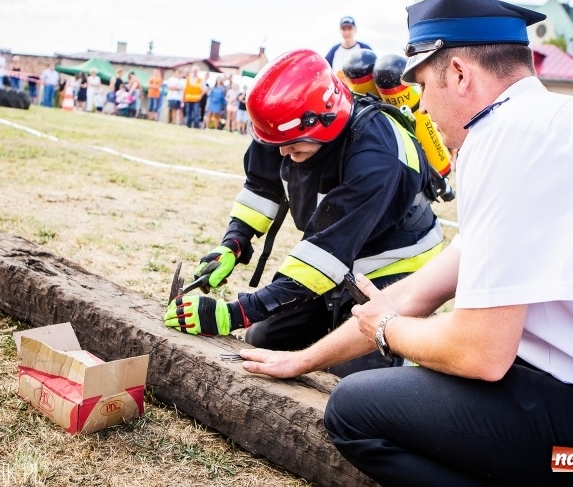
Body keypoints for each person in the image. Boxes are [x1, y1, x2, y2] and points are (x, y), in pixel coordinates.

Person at [231, 0, 573, 486]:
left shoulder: (505, 134)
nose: (420, 106)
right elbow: (418, 290)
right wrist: (304, 359)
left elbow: (479, 354)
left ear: (459, 74)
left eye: (421, 86)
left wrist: (387, 330)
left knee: (356, 412)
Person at [163, 49, 443, 377]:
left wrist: (235, 312)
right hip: (336, 255)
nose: (281, 152)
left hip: (392, 264)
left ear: (322, 121)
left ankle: (403, 343)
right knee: (262, 338)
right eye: (275, 143)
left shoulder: (377, 155)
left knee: (353, 377)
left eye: (291, 144)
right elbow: (261, 187)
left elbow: (324, 256)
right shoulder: (282, 125)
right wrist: (234, 242)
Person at [324, 16, 372, 81]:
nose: (346, 32)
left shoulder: (364, 49)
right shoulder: (333, 51)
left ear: (355, 29)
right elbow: (325, 70)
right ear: (340, 30)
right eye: (344, 29)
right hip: (339, 89)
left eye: (349, 28)